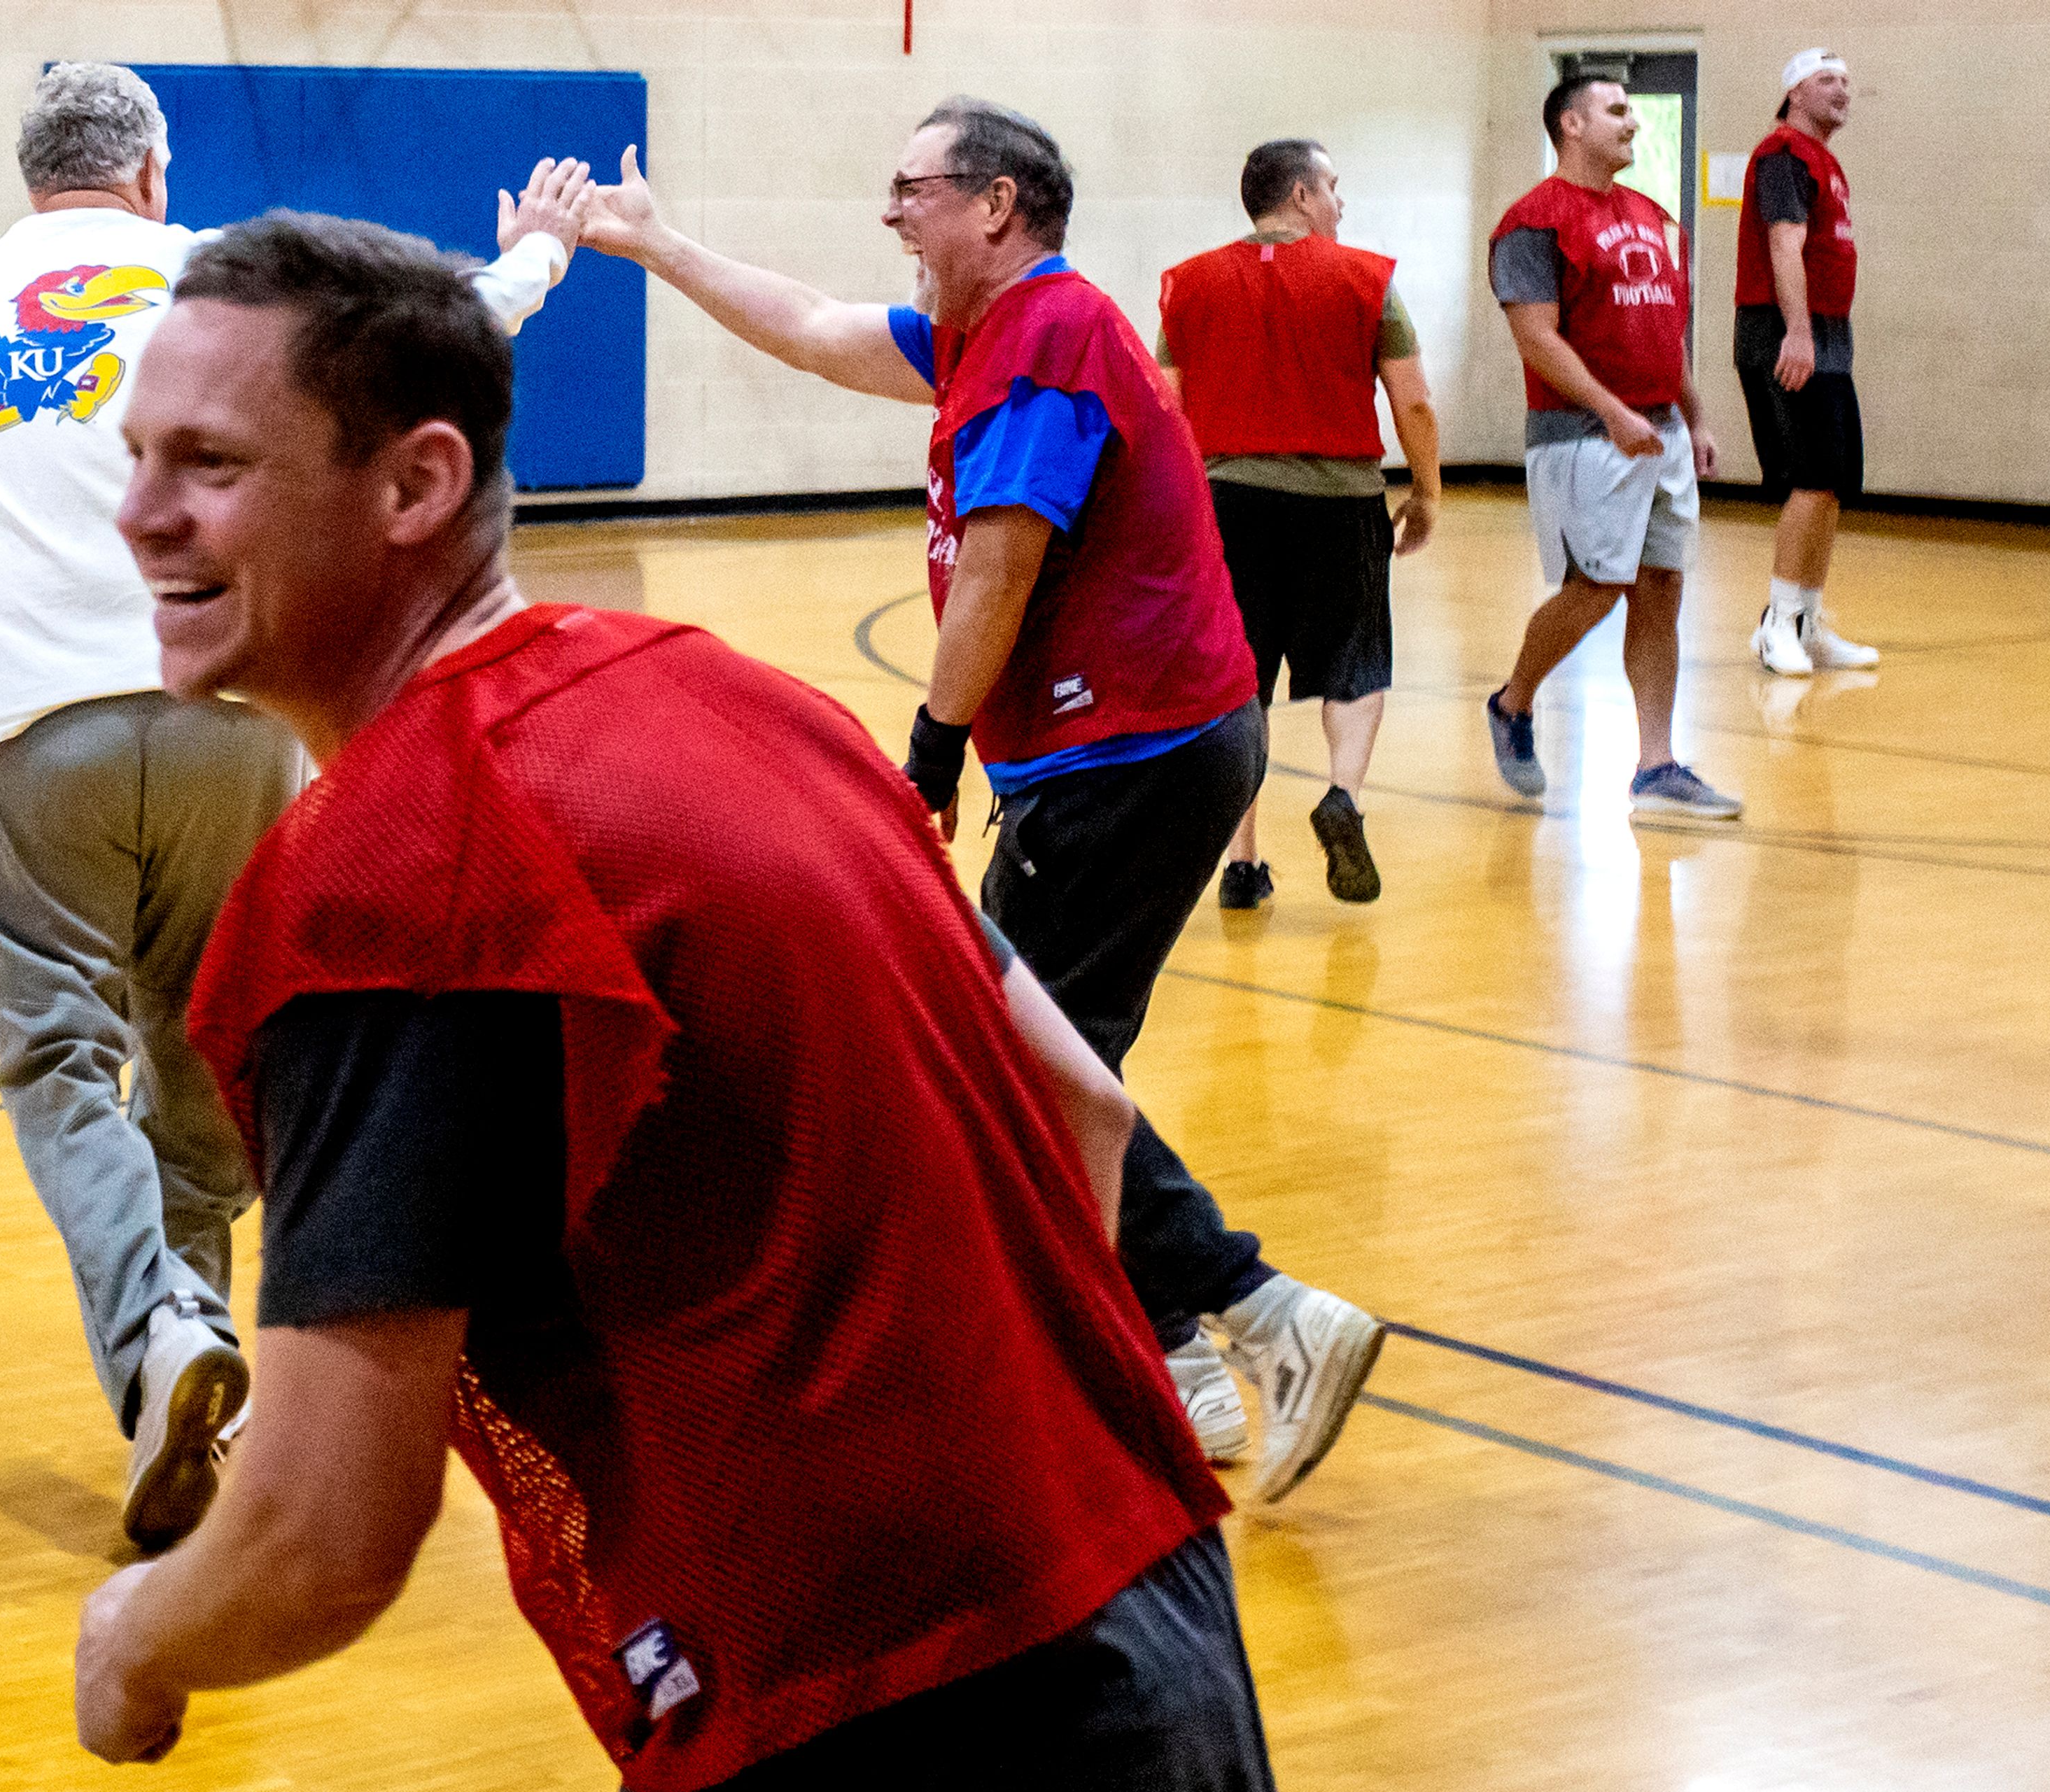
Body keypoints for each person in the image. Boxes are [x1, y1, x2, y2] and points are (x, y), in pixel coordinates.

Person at [73, 211, 1279, 1790]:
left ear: (416, 485)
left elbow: (321, 1532)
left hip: (874, 1694)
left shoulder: (394, 876)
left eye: (209, 465)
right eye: (138, 456)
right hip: (1153, 1591)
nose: (139, 517)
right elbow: (1085, 1104)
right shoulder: (750, 695)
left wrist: (135, 1639)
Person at [0, 62, 593, 1552]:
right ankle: (183, 1369)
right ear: (149, 173)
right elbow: (435, 332)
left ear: (35, 179)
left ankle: (157, 1332)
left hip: (17, 733)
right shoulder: (223, 288)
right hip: (228, 724)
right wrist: (535, 254)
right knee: (205, 1062)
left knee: (63, 1058)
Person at [578, 101, 1382, 1496]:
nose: (891, 214)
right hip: (1125, 753)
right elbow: (821, 329)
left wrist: (928, 755)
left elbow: (1003, 561)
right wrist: (659, 248)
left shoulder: (1048, 337)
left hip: (1123, 754)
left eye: (912, 189)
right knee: (1050, 1058)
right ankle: (1185, 1345)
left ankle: (1257, 1316)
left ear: (995, 204)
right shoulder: (988, 332)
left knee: (1003, 1059)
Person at [1158, 138, 1444, 906]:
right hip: (1341, 503)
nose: (1341, 203)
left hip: (1230, 506)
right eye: (1333, 187)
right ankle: (1342, 794)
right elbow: (1412, 399)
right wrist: (1428, 491)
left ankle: (1242, 866)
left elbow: (1165, 407)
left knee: (1238, 685)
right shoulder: (1368, 280)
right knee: (1354, 666)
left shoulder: (1188, 285)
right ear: (1299, 194)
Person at [1482, 73, 1742, 820]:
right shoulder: (1533, 221)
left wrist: (1693, 418)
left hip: (1658, 431)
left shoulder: (1657, 219)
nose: (1634, 123)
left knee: (1661, 590)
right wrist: (1611, 409)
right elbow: (1536, 337)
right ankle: (1513, 702)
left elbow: (1669, 333)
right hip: (1583, 435)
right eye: (1617, 111)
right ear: (1571, 124)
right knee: (1594, 589)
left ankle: (1656, 763)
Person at [1741, 48, 1876, 677]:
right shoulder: (1783, 154)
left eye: (1846, 81)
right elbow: (1783, 241)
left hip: (1827, 334)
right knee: (1810, 479)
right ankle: (1778, 625)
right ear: (1795, 92)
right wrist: (1797, 332)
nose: (1842, 90)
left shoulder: (1826, 159)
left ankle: (1807, 622)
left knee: (1833, 483)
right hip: (1787, 334)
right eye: (1827, 80)